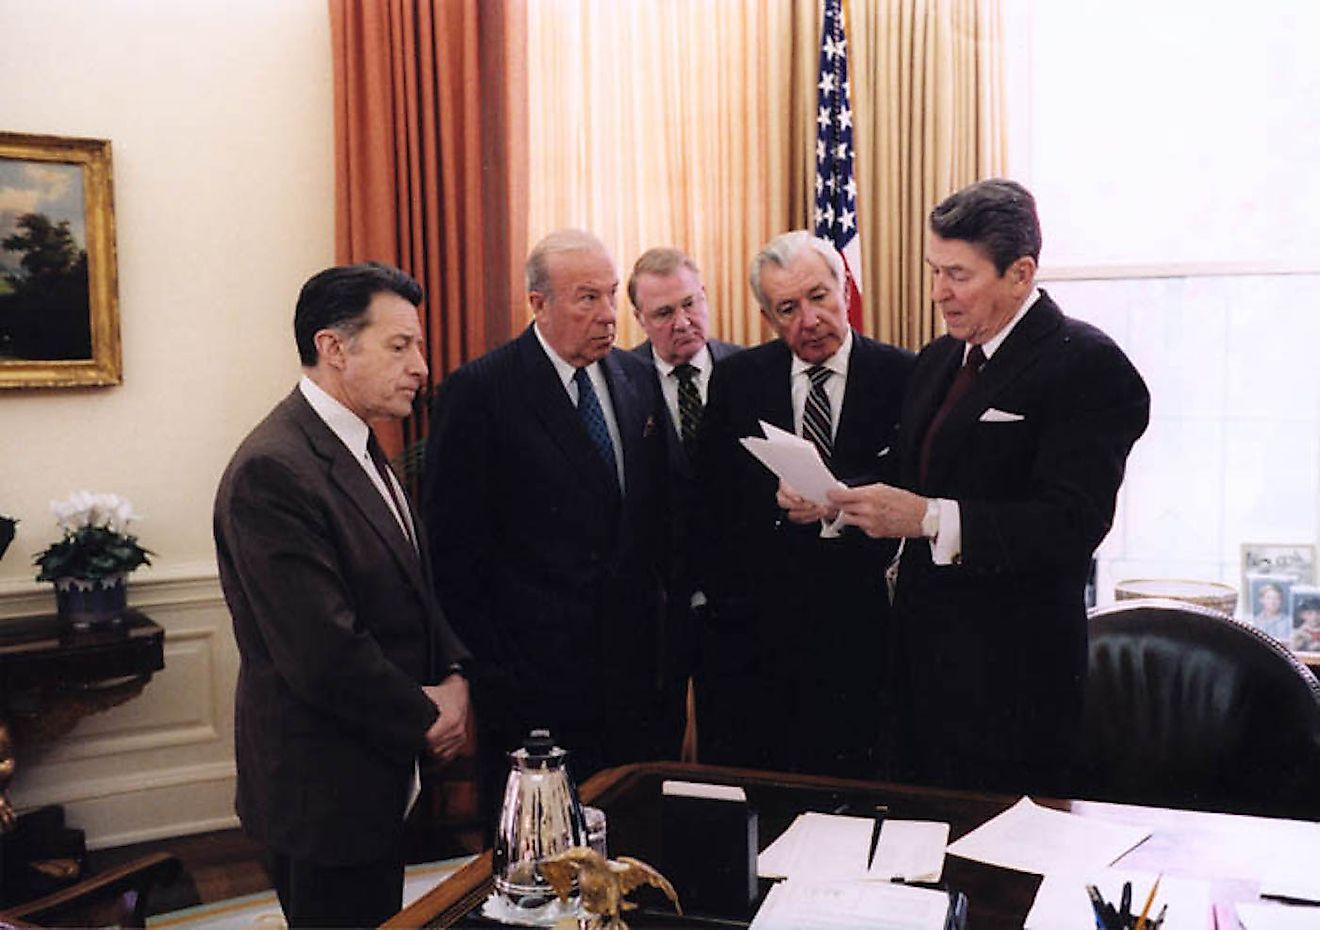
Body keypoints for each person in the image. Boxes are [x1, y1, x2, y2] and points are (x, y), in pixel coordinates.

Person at [816, 179, 1150, 795]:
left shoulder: (1088, 365)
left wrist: (929, 520)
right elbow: (911, 479)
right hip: (916, 677)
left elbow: (1070, 524)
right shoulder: (940, 357)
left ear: (1020, 274)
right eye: (934, 270)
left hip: (1014, 690)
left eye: (959, 275)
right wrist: (836, 497)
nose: (939, 292)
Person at [213, 262, 471, 928]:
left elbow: (415, 582)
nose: (421, 365)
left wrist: (453, 675)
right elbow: (322, 652)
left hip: (372, 774)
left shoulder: (355, 441)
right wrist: (428, 717)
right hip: (322, 792)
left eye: (417, 345)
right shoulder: (273, 468)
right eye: (399, 346)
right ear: (333, 348)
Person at [421, 229, 681, 823]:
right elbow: (453, 553)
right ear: (537, 303)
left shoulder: (636, 379)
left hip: (635, 681)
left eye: (612, 296)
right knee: (541, 869)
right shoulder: (481, 391)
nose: (609, 316)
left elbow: (661, 521)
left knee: (634, 847)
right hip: (533, 691)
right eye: (587, 298)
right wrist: (494, 669)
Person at [693, 230, 914, 778]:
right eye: (787, 308)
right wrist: (773, 502)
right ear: (768, 317)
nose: (809, 320)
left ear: (844, 289)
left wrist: (840, 502)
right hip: (764, 640)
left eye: (819, 297)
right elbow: (712, 494)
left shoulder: (904, 375)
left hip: (866, 634)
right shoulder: (739, 378)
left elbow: (911, 479)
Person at [628, 247, 741, 731]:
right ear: (638, 318)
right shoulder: (620, 380)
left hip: (737, 601)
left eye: (691, 304)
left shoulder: (749, 371)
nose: (683, 321)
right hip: (655, 606)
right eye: (664, 313)